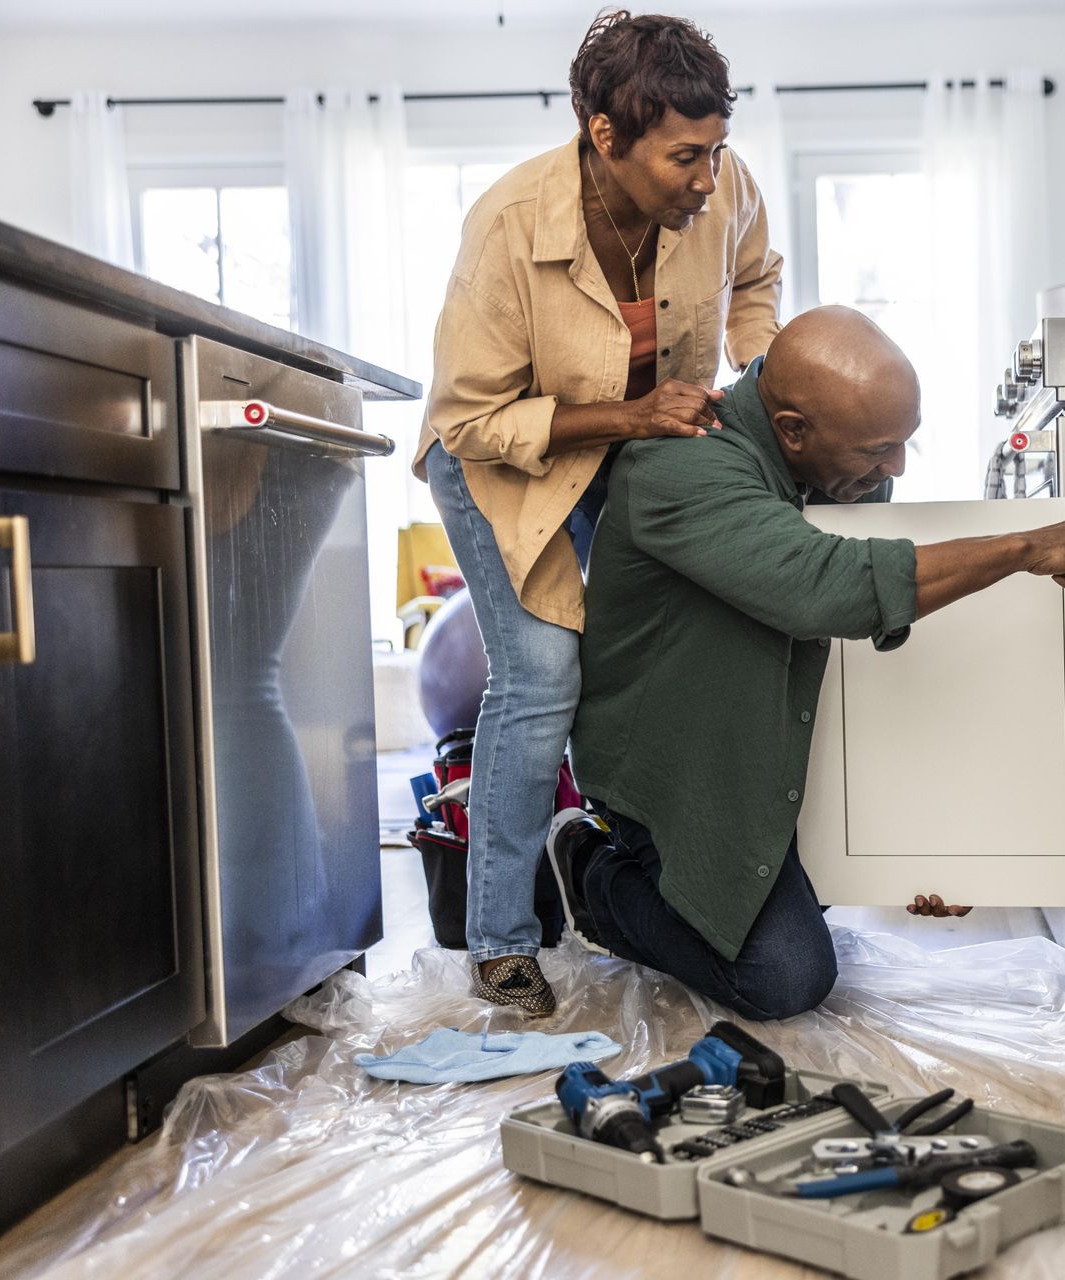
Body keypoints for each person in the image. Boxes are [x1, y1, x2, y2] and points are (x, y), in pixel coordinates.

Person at [547, 307, 1065, 1021]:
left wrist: (943, 843)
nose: (894, 470)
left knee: (794, 918)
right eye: (878, 451)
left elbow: (888, 661)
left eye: (905, 445)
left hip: (776, 730)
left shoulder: (839, 468)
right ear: (791, 430)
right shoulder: (680, 460)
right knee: (783, 976)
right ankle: (589, 872)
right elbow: (830, 589)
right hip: (679, 770)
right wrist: (1021, 549)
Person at [413, 10, 782, 1015]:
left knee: (651, 654)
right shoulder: (507, 224)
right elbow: (474, 417)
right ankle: (500, 940)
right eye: (684, 159)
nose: (707, 179)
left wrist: (760, 368)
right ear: (605, 136)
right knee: (539, 679)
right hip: (505, 461)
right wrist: (630, 411)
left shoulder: (724, 185)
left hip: (638, 447)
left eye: (716, 151)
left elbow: (756, 272)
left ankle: (626, 879)